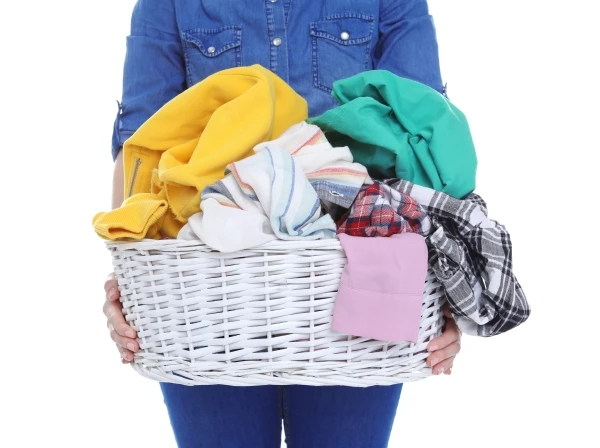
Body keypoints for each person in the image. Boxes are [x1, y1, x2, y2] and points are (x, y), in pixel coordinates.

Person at [103, 1, 462, 447]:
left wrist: (449, 288)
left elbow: (430, 137)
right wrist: (126, 274)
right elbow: (141, 144)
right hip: (208, 297)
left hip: (363, 281)